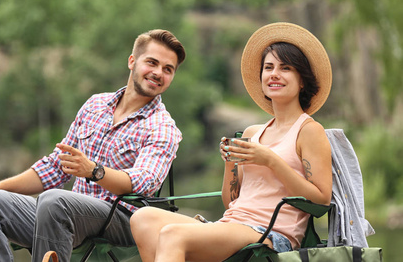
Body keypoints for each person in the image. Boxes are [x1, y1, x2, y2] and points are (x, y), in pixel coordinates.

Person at [0, 29, 186, 262]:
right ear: (132, 61)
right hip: (64, 216)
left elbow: (144, 183)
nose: (158, 73)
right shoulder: (95, 105)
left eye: (168, 69)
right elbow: (55, 167)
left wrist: (94, 171)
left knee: (55, 201)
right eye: (152, 63)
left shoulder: (163, 126)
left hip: (123, 221)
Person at [130, 22, 333, 261]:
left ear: (302, 81)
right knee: (142, 219)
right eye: (268, 67)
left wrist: (270, 160)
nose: (274, 74)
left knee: (173, 235)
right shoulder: (253, 132)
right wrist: (230, 164)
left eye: (285, 68)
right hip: (233, 223)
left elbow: (321, 200)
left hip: (272, 235)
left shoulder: (308, 130)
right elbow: (231, 202)